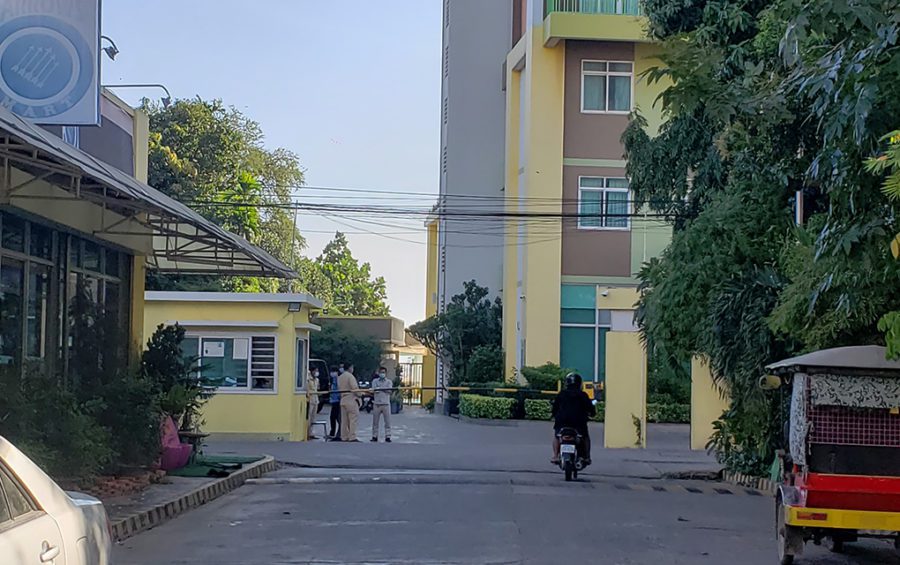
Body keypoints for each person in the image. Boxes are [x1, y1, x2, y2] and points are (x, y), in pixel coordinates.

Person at [551, 372, 595, 465]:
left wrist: (553, 415)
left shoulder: (561, 394)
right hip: (579, 422)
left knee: (557, 435)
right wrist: (592, 414)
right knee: (585, 437)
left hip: (562, 421)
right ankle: (587, 456)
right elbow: (590, 408)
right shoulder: (583, 395)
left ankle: (555, 456)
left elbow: (555, 408)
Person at [338, 363, 362, 442]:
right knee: (353, 419)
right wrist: (360, 395)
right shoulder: (350, 376)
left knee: (344, 420)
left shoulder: (340, 377)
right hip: (351, 399)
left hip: (343, 399)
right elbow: (354, 388)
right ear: (350, 368)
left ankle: (344, 436)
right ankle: (352, 436)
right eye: (352, 367)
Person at [370, 366, 392, 443]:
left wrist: (381, 389)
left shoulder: (389, 382)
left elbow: (389, 391)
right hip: (377, 404)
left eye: (383, 372)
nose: (382, 374)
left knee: (387, 422)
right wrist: (382, 389)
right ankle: (374, 436)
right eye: (381, 372)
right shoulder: (375, 381)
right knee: (375, 422)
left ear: (386, 373)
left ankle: (388, 436)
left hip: (386, 404)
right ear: (378, 373)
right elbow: (374, 390)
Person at [327, 366, 341, 440]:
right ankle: (333, 432)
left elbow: (339, 389)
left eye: (333, 371)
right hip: (333, 400)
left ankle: (335, 433)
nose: (332, 373)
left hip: (337, 400)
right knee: (333, 417)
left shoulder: (338, 379)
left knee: (335, 417)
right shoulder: (333, 379)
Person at [306, 367, 320, 440]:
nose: (316, 372)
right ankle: (307, 433)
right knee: (309, 416)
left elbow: (317, 388)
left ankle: (311, 433)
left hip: (315, 400)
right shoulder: (308, 379)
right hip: (310, 400)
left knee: (313, 418)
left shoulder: (317, 380)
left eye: (317, 371)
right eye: (315, 371)